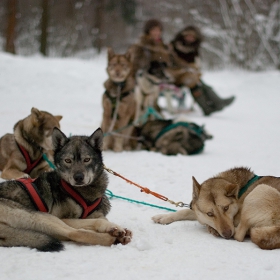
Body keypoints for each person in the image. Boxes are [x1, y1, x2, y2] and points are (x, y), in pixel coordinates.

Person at [170, 25, 235, 116]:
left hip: (187, 75)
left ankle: (215, 103)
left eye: (192, 37)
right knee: (194, 82)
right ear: (183, 36)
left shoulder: (193, 49)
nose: (190, 38)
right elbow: (172, 63)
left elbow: (195, 64)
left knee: (199, 83)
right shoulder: (174, 46)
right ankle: (208, 107)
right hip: (175, 75)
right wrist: (187, 68)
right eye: (188, 36)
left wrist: (192, 70)